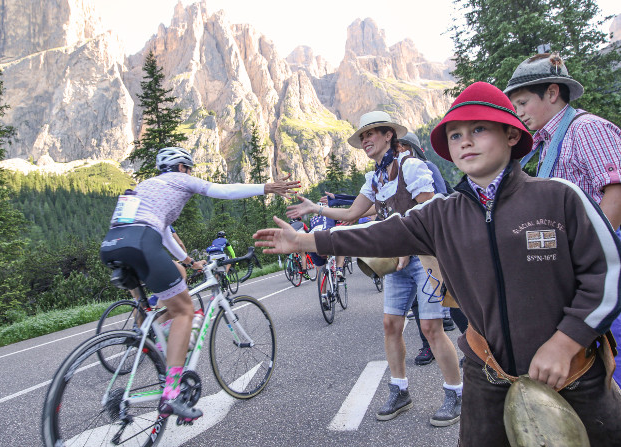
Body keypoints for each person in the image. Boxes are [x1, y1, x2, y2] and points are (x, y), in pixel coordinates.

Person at [254, 82, 621, 446]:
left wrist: (565, 341)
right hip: (487, 372)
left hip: (572, 372)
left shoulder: (559, 198)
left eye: (479, 129)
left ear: (511, 134)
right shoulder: (441, 214)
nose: (465, 141)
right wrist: (304, 240)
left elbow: (606, 274)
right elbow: (376, 233)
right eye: (455, 134)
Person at [286, 110, 463, 426]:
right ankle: (400, 390)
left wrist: (408, 246)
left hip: (425, 259)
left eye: (371, 134)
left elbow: (430, 212)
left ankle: (455, 392)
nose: (365, 140)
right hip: (396, 261)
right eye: (362, 136)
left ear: (388, 136)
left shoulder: (411, 167)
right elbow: (352, 213)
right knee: (390, 325)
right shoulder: (376, 177)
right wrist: (316, 208)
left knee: (432, 329)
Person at [100, 146, 299, 421]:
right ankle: (171, 394)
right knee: (185, 310)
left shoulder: (146, 185)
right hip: (141, 242)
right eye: (189, 169)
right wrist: (266, 187)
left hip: (113, 244)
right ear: (182, 168)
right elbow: (224, 191)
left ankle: (154, 342)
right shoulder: (180, 179)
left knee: (171, 291)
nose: (190, 174)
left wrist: (190, 261)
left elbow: (165, 235)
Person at [505, 53, 621, 388]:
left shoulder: (586, 129)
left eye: (523, 102)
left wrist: (590, 259)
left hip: (604, 271)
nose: (519, 112)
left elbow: (615, 194)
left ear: (553, 93)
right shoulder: (549, 141)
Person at [396, 132, 469, 366]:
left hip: (436, 241)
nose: (397, 152)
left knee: (451, 294)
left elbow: (440, 199)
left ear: (411, 149)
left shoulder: (425, 167)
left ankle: (478, 347)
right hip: (414, 242)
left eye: (401, 147)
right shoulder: (394, 177)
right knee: (421, 301)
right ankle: (427, 346)